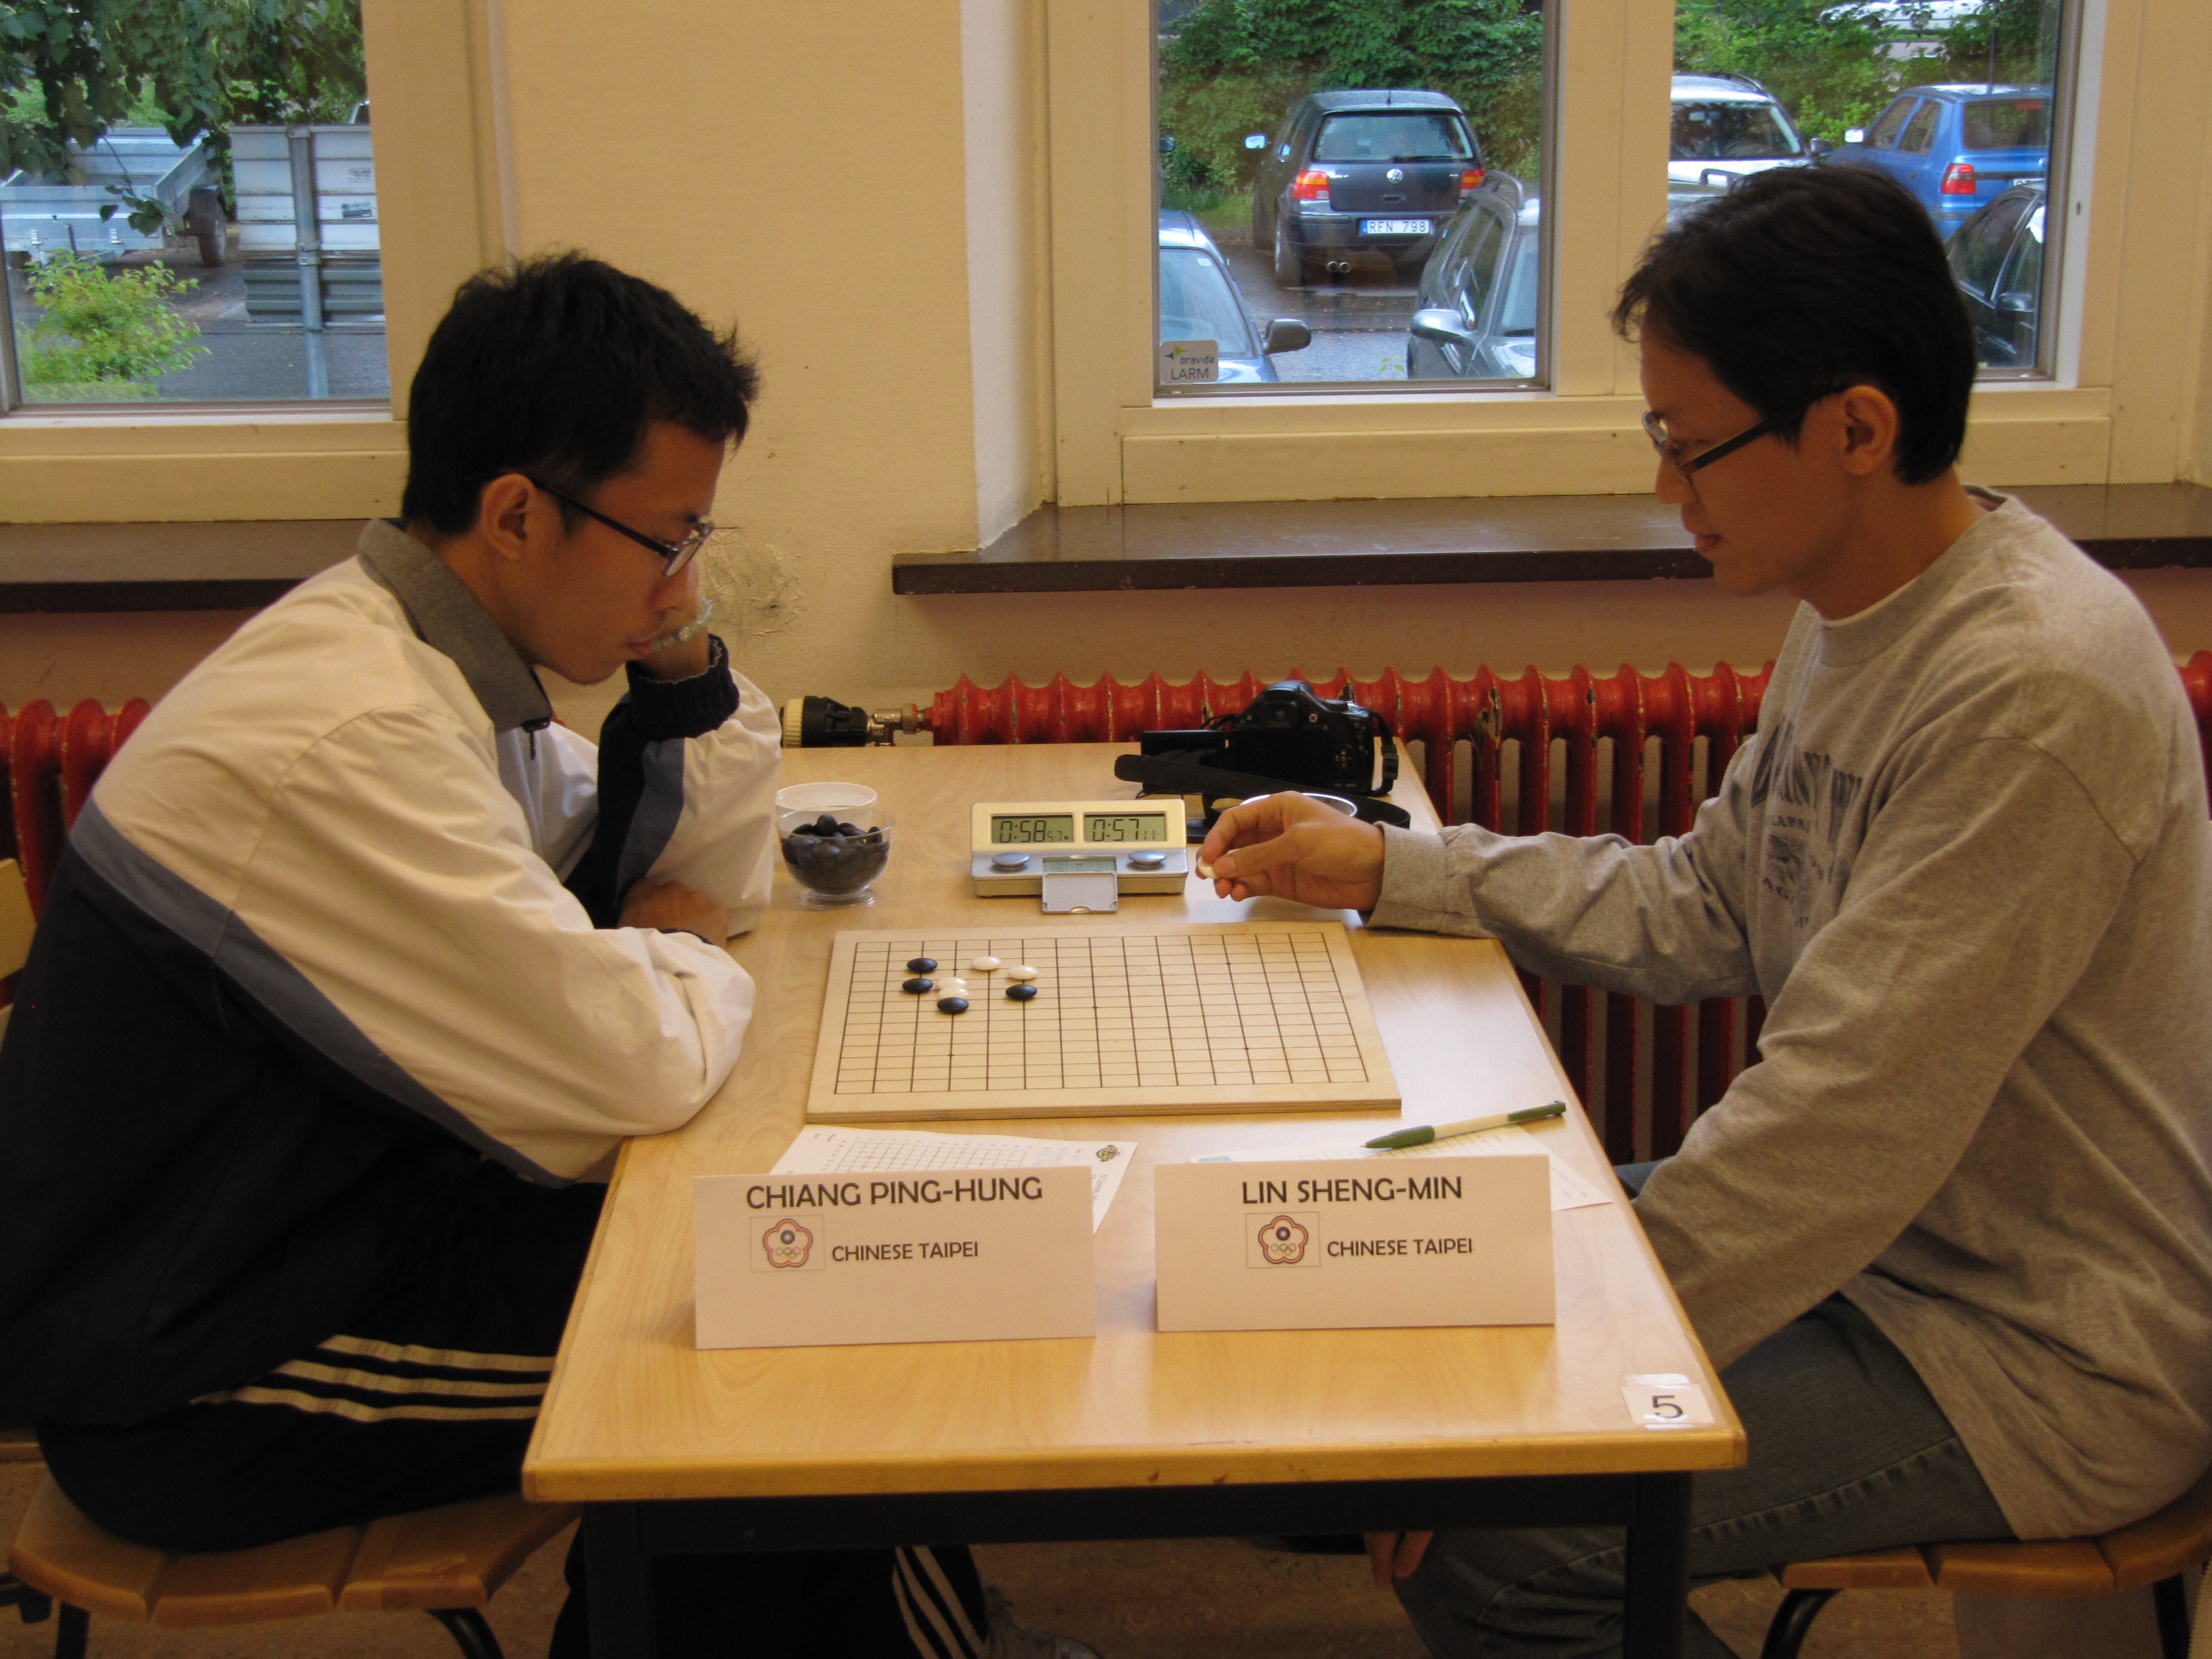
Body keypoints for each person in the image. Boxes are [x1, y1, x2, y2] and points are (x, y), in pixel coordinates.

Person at [0, 253, 1092, 1659]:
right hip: (205, 1368)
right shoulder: (348, 735)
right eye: (668, 541)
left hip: (356, 1229)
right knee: (797, 1326)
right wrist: (678, 959)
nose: (685, 580)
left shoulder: (434, 666)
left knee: (805, 1275)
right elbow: (625, 1062)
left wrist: (677, 658)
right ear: (516, 514)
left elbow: (682, 869)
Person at [1198, 165, 2212, 1658]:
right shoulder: (1858, 614)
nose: (1669, 490)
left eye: (1691, 446)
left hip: (2033, 1347)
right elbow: (1710, 901)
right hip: (1875, 1264)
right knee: (1405, 1258)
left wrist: (1527, 1384)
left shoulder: (2029, 689)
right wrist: (1397, 867)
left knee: (1493, 1537)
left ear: (1855, 430)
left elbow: (1839, 1136)